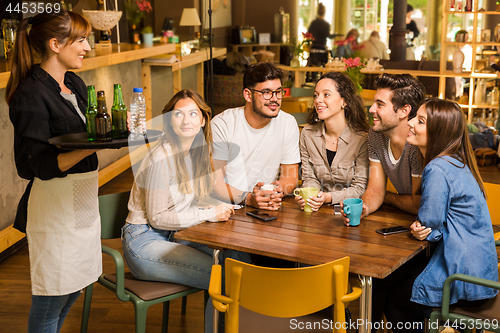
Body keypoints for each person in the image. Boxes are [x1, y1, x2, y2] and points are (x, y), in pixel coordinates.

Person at [122, 90, 251, 333]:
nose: (186, 120)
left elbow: (192, 201)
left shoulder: (198, 153)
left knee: (237, 259)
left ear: (203, 119)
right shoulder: (161, 155)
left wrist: (231, 204)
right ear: (170, 120)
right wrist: (208, 214)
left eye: (193, 114)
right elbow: (158, 218)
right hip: (144, 241)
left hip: (175, 233)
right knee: (225, 279)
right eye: (178, 114)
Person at [6, 11, 100, 333]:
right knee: (51, 298)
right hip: (55, 205)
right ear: (56, 44)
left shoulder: (74, 82)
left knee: (73, 289)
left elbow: (88, 134)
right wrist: (91, 147)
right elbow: (35, 165)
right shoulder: (31, 93)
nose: (88, 47)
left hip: (84, 196)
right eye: (82, 40)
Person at [381, 98, 499, 332]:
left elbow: (429, 227)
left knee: (389, 293)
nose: (411, 123)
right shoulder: (458, 161)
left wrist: (421, 231)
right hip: (482, 273)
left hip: (463, 280)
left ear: (439, 131)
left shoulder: (436, 169)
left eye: (421, 121)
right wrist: (429, 229)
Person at [211, 62, 300, 210]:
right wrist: (248, 199)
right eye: (266, 92)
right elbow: (214, 183)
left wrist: (276, 191)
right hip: (225, 209)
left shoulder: (288, 123)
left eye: (278, 92)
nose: (274, 99)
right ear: (248, 95)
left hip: (264, 207)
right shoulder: (222, 124)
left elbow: (290, 176)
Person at [342, 73, 425, 226]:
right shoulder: (376, 134)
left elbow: (417, 204)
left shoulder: (416, 145)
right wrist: (364, 208)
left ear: (403, 111)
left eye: (379, 104)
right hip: (408, 221)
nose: (371, 109)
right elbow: (375, 190)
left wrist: (388, 197)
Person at [295, 72, 369, 211]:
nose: (318, 100)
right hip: (317, 211)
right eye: (316, 95)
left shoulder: (362, 139)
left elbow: (360, 188)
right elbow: (309, 177)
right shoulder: (307, 135)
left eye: (326, 94)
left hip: (351, 212)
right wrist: (311, 196)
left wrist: (328, 197)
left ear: (344, 101)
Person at [307, 3, 334, 67]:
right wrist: (337, 35)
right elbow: (329, 36)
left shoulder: (313, 23)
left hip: (314, 48)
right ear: (324, 13)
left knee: (313, 69)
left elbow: (309, 33)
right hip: (322, 49)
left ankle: (314, 77)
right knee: (324, 67)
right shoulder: (326, 25)